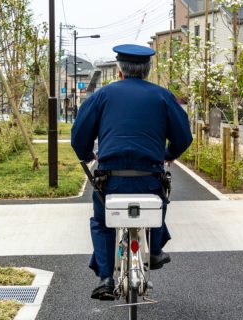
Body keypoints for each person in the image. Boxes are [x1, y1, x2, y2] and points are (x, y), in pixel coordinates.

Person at [71, 44, 192, 300]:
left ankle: (105, 278)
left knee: (102, 222)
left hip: (110, 178)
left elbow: (79, 134)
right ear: (148, 70)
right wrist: (169, 155)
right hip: (149, 176)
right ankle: (155, 250)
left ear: (119, 71)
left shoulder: (101, 96)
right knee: (159, 202)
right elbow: (184, 136)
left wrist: (86, 155)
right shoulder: (162, 96)